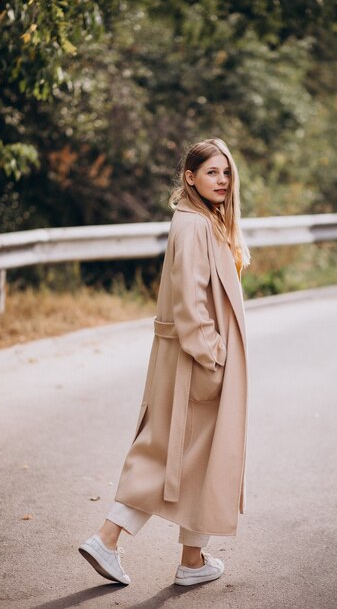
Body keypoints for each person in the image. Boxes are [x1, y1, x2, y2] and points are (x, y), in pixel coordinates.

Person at [79, 137, 250, 587]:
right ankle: (107, 538)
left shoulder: (206, 221)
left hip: (199, 358)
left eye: (227, 172)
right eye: (212, 172)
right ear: (189, 178)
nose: (222, 181)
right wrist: (212, 354)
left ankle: (192, 560)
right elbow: (191, 300)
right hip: (198, 360)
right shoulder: (193, 224)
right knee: (166, 452)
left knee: (197, 458)